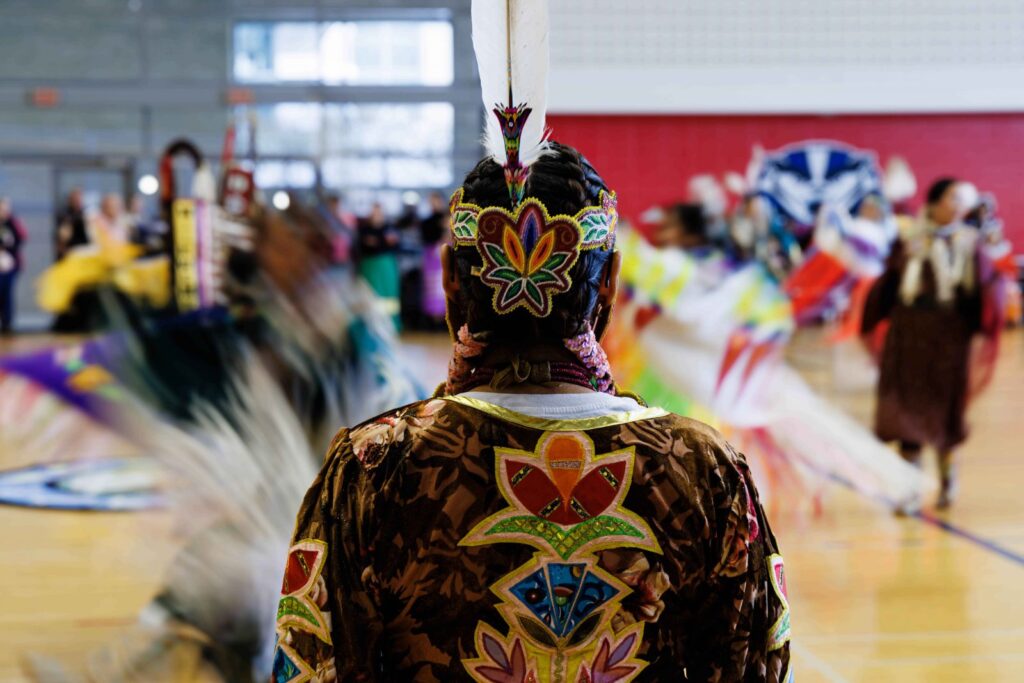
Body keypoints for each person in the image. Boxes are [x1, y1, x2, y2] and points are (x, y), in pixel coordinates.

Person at [273, 3, 791, 679]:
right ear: (606, 292)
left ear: (452, 290)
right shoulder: (704, 471)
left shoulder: (374, 470)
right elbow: (756, 664)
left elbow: (309, 663)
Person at [862, 177, 999, 509]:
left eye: (960, 199)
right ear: (936, 201)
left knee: (944, 412)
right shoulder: (909, 237)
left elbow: (987, 284)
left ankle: (947, 480)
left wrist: (984, 313)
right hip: (909, 333)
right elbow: (889, 280)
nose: (958, 204)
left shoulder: (970, 242)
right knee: (906, 413)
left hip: (949, 338)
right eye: (952, 197)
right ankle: (909, 490)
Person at [356, 202, 401, 327]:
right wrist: (381, 242)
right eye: (374, 212)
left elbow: (394, 244)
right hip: (370, 266)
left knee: (388, 297)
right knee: (370, 294)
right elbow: (363, 244)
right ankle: (371, 322)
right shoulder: (364, 229)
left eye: (379, 212)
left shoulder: (390, 228)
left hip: (386, 265)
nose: (377, 215)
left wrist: (377, 242)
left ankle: (390, 323)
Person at [419, 190, 449, 328]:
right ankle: (433, 321)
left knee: (445, 287)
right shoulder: (427, 222)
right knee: (433, 290)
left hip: (445, 258)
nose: (434, 203)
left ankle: (446, 320)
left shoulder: (448, 217)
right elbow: (425, 238)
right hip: (432, 260)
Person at [0, 198, 25, 334]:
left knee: (7, 295)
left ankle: (7, 323)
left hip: (10, 264)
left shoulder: (13, 223)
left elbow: (21, 238)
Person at [55, 187, 89, 260]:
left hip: (84, 252)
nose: (78, 201)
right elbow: (62, 236)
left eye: (79, 199)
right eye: (75, 199)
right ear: (70, 200)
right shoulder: (64, 215)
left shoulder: (86, 214)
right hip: (70, 252)